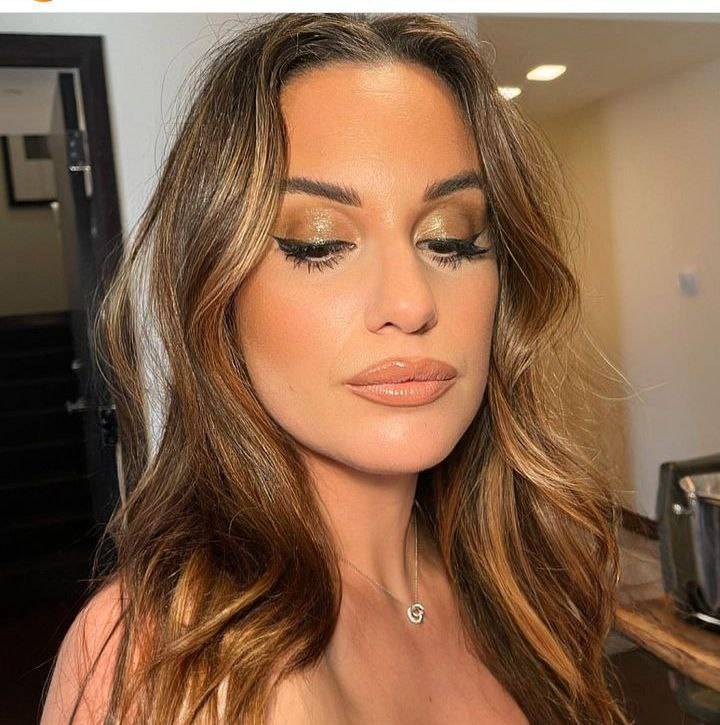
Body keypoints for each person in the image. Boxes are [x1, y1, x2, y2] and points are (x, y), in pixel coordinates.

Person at [40, 12, 630, 724]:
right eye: (319, 243)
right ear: (217, 294)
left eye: (450, 239)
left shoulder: (524, 581)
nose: (411, 303)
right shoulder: (162, 659)